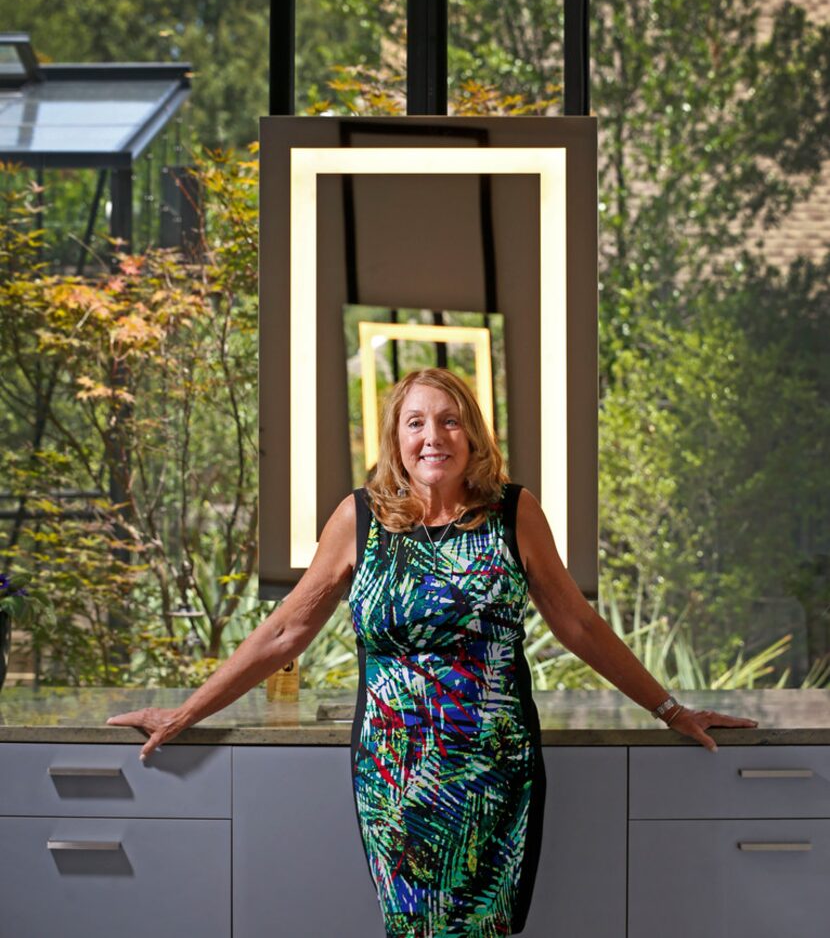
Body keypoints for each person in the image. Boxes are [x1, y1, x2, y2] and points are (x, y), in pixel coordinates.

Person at [108, 367, 757, 936]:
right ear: (395, 440)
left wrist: (672, 710)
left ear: (472, 435)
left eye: (449, 421)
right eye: (415, 423)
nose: (432, 436)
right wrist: (183, 713)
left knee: (478, 929)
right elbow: (284, 632)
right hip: (393, 780)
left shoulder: (513, 514)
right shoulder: (359, 519)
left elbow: (579, 627)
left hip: (492, 777)